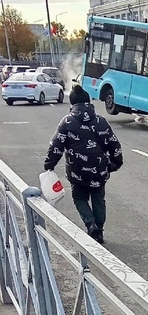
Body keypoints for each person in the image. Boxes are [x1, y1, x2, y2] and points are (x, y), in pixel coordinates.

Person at [44, 85, 123, 244]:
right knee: (99, 199)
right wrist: (115, 164)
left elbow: (56, 146)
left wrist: (49, 165)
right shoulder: (101, 121)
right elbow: (114, 145)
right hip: (99, 170)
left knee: (79, 198)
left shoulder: (67, 122)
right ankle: (99, 231)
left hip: (76, 171)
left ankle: (90, 224)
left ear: (72, 104)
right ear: (88, 102)